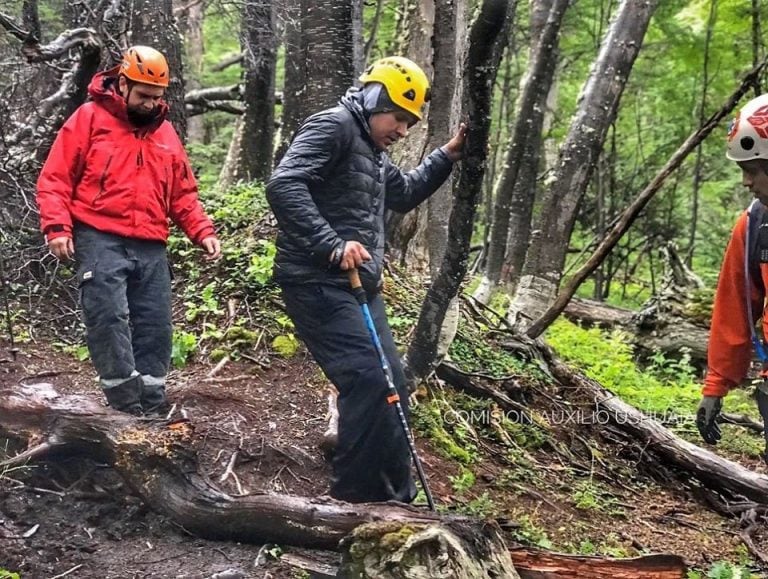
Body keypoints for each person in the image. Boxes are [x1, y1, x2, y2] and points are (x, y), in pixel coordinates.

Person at [266, 56, 466, 503]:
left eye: (410, 124)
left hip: (359, 285)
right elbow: (284, 184)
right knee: (370, 380)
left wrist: (447, 155)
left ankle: (394, 495)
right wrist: (331, 243)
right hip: (316, 281)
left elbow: (405, 192)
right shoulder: (333, 126)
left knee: (393, 381)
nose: (403, 131)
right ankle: (356, 498)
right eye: (398, 118)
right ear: (375, 100)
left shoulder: (373, 153)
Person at [36, 46, 221, 416]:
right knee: (109, 318)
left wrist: (202, 230)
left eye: (157, 97)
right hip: (99, 235)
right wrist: (57, 226)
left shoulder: (166, 133)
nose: (151, 104)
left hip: (151, 243)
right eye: (143, 96)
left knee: (155, 324)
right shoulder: (87, 119)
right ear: (122, 83)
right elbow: (55, 178)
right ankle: (124, 406)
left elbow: (182, 193)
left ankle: (152, 405)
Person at [697, 93, 768, 459]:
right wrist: (715, 387)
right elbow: (734, 308)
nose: (745, 182)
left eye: (752, 169)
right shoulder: (755, 224)